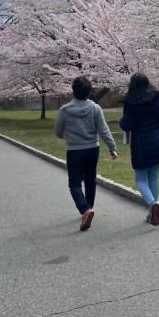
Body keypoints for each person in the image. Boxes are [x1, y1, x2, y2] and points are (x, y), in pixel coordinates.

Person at [55, 76, 117, 231]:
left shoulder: (65, 110)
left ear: (73, 91)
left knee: (74, 183)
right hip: (92, 149)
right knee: (90, 180)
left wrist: (69, 136)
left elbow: (58, 132)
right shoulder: (95, 108)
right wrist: (112, 147)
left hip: (74, 150)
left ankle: (85, 210)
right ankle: (89, 208)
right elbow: (104, 129)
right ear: (89, 91)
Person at [119, 73, 159, 226]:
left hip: (140, 145)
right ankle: (153, 210)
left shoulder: (130, 101)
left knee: (141, 179)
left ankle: (152, 204)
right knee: (154, 177)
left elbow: (127, 124)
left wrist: (122, 122)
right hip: (157, 142)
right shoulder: (158, 98)